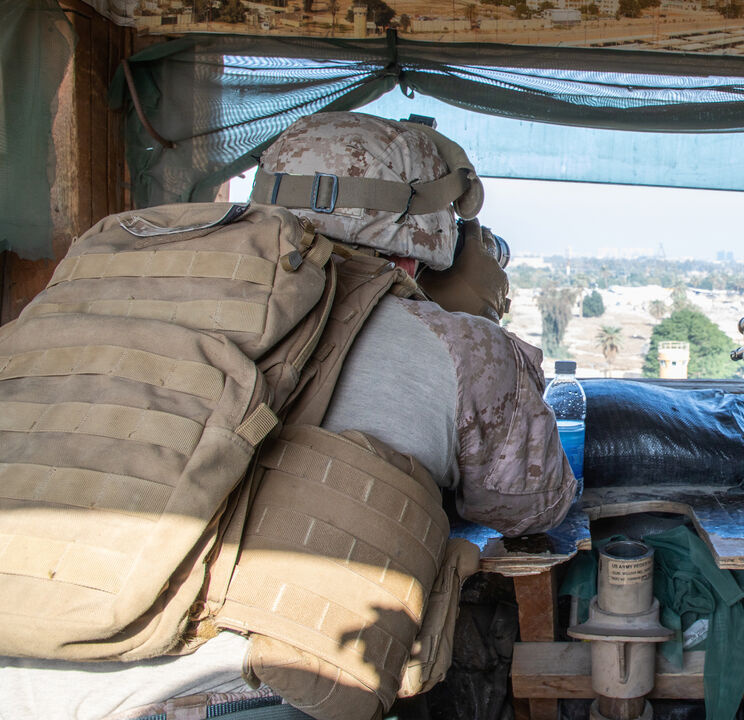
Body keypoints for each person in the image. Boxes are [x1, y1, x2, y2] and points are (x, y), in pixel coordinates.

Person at [0, 111, 577, 719]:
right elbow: (528, 506)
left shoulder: (91, 299)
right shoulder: (458, 346)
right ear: (429, 238)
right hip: (239, 693)